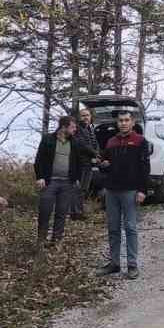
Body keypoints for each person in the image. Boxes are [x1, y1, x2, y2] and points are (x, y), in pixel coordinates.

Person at [98, 109, 149, 279]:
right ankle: (114, 263)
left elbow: (145, 168)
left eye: (127, 120)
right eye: (121, 120)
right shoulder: (110, 141)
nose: (123, 123)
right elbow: (104, 163)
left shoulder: (140, 141)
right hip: (112, 191)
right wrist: (102, 164)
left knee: (130, 227)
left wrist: (142, 190)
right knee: (113, 228)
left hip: (130, 191)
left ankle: (132, 265)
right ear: (117, 123)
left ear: (132, 122)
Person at [34, 115, 85, 246]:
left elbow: (79, 162)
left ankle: (56, 241)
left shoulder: (74, 142)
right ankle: (41, 241)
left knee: (62, 213)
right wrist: (40, 177)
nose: (75, 130)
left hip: (67, 183)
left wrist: (77, 179)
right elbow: (39, 160)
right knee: (45, 211)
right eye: (72, 127)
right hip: (49, 182)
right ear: (63, 127)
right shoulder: (48, 139)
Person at [70, 105, 99, 220]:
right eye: (83, 116)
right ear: (79, 117)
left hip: (89, 164)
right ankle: (75, 213)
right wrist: (95, 154)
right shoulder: (77, 129)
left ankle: (79, 212)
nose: (85, 117)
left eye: (87, 115)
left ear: (91, 117)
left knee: (84, 189)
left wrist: (97, 154)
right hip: (80, 164)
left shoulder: (90, 129)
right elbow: (82, 144)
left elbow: (95, 144)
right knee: (77, 189)